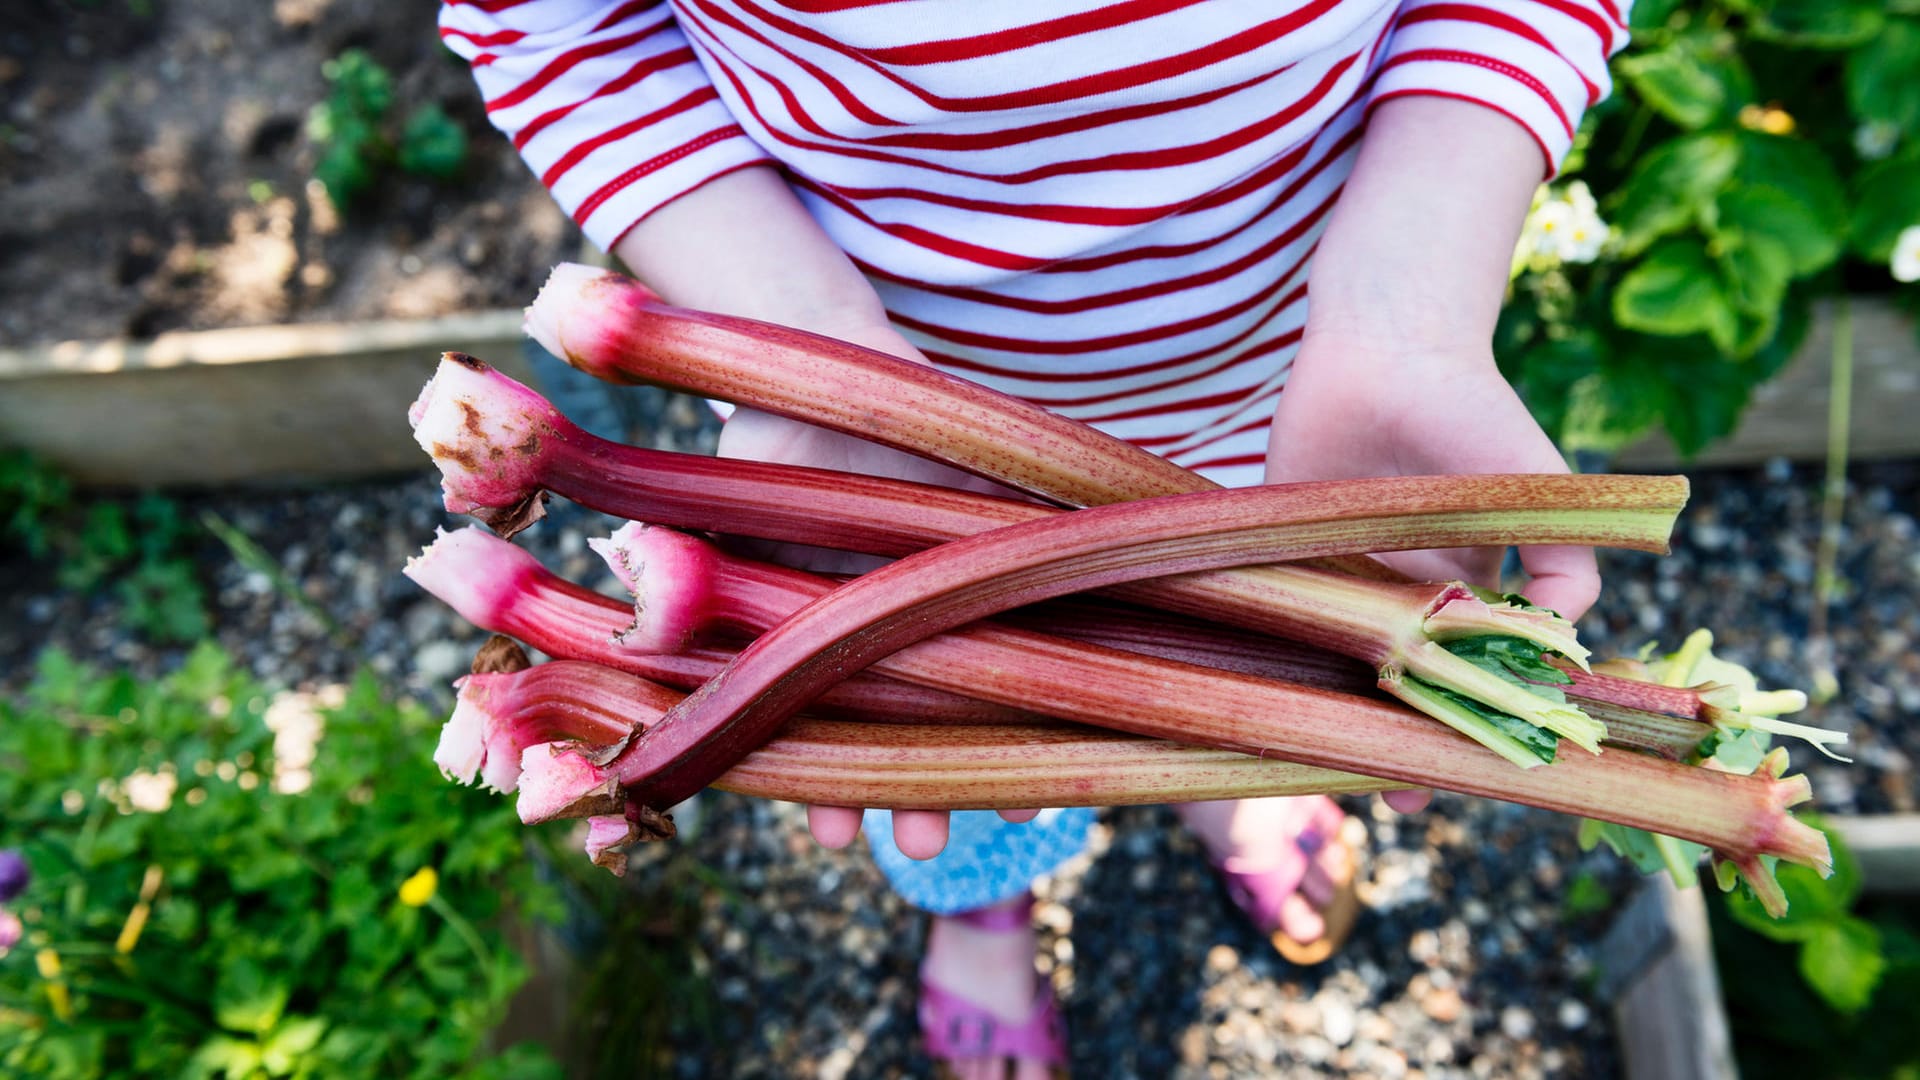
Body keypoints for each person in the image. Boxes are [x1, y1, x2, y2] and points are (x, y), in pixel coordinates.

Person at [439, 3, 1626, 1075]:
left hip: (1294, 396)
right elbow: (552, 23)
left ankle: (1227, 775)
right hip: (882, 431)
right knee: (947, 733)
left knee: (1253, 656)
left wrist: (1406, 307)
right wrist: (807, 339)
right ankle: (982, 900)